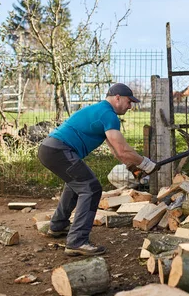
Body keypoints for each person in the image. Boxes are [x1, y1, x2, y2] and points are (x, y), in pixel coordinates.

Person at [37, 83, 156, 256]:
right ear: (117, 98)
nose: (130, 107)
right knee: (91, 188)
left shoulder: (101, 111)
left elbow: (116, 151)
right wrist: (145, 163)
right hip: (59, 150)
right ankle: (77, 241)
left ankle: (58, 226)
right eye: (129, 102)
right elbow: (123, 149)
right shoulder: (108, 114)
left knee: (76, 185)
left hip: (50, 149)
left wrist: (135, 169)